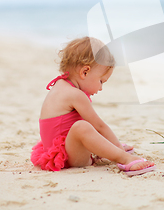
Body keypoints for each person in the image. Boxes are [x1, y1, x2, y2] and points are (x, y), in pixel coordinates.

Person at [30, 37, 155, 176]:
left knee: (81, 127)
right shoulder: (75, 94)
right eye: (101, 81)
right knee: (82, 127)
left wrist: (112, 144)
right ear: (85, 72)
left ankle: (109, 148)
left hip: (57, 150)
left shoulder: (60, 85)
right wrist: (119, 149)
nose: (101, 88)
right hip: (68, 158)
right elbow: (99, 126)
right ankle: (124, 158)